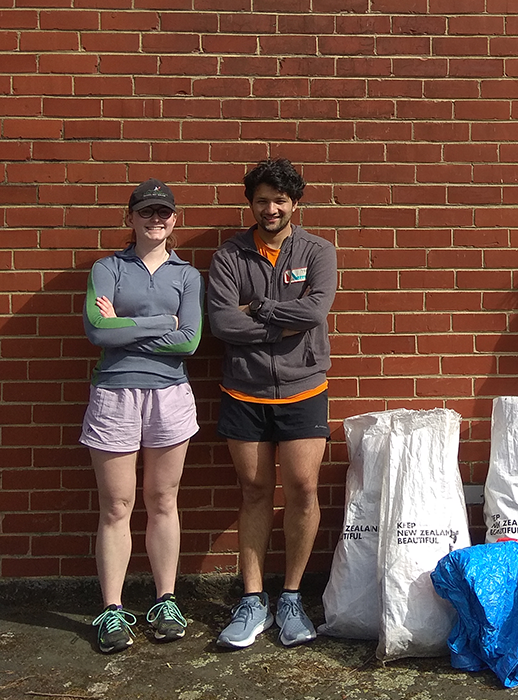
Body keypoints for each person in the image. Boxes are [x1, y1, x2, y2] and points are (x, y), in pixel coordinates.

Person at [207, 158, 337, 649]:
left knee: (302, 488)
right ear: (251, 204)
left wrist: (258, 308)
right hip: (243, 389)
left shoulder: (318, 251)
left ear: (294, 203)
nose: (271, 208)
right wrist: (285, 320)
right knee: (255, 489)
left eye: (280, 200)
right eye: (262, 200)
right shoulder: (230, 256)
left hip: (305, 387)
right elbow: (221, 323)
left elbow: (315, 311)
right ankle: (253, 599)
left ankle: (291, 597)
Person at [81, 179, 203, 653]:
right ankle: (112, 609)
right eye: (147, 212)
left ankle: (164, 601)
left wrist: (125, 326)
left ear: (175, 220)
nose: (157, 220)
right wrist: (159, 325)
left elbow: (190, 341)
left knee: (162, 500)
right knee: (115, 506)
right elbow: (97, 331)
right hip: (114, 395)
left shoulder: (188, 276)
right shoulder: (107, 267)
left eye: (165, 213)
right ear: (129, 217)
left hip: (170, 395)